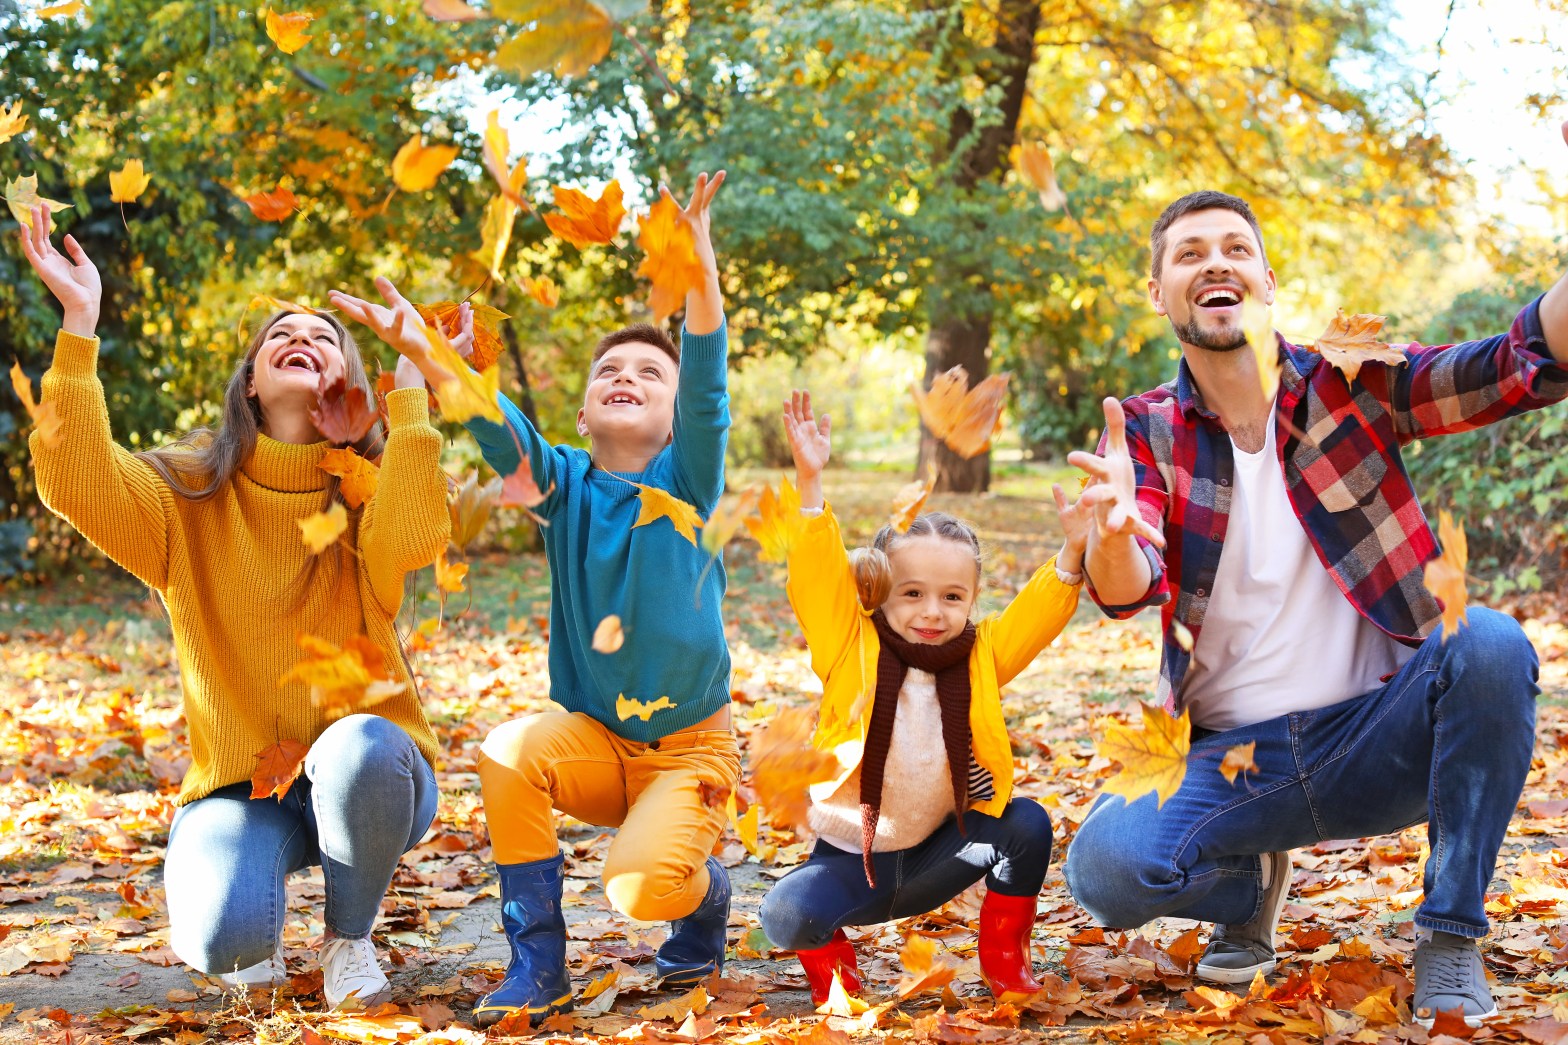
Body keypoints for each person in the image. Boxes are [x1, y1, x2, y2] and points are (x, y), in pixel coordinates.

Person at [1060, 139, 1568, 1029]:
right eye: (1188, 253)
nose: (1214, 262)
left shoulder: (1351, 382)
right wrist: (1108, 534)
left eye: (1234, 248)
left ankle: (1449, 936)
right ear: (1158, 292)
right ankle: (1245, 885)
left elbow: (1520, 361)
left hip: (1379, 734)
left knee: (1486, 640)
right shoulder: (1142, 430)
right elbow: (1127, 579)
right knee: (1103, 867)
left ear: (1265, 280)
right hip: (1233, 758)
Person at [19, 205, 454, 1008]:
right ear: (250, 381)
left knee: (360, 746)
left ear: (346, 383)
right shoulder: (186, 495)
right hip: (239, 787)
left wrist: (413, 392)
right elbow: (72, 476)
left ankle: (348, 941)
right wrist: (80, 323)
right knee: (227, 937)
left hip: (371, 773)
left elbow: (416, 536)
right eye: (281, 333)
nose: (304, 337)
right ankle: (243, 900)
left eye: (326, 337)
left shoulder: (366, 496)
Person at [347, 173, 738, 1025]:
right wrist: (428, 350)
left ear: (673, 419)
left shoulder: (688, 479)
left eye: (648, 372)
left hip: (689, 755)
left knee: (639, 887)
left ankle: (702, 901)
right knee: (505, 749)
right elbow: (497, 426)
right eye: (609, 370)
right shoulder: (559, 482)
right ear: (587, 410)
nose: (625, 375)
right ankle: (539, 965)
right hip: (598, 739)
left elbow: (707, 383)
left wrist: (699, 267)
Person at [756, 391, 1130, 1005]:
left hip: (941, 852)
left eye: (953, 597)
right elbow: (816, 577)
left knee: (1028, 823)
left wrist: (1072, 552)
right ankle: (837, 978)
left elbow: (1031, 621)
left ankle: (1005, 960)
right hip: (856, 863)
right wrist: (810, 482)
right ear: (879, 592)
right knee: (786, 914)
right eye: (912, 594)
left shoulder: (977, 656)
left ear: (971, 600)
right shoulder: (849, 646)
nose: (933, 612)